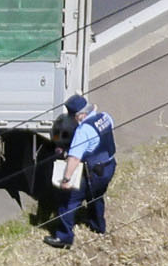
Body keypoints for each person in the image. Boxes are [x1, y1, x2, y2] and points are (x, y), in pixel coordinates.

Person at [46, 93, 117, 249]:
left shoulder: (83, 130)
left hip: (93, 171)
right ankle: (98, 226)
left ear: (81, 115)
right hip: (109, 166)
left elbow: (74, 158)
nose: (72, 119)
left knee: (68, 200)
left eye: (73, 116)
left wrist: (66, 180)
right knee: (96, 196)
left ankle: (64, 238)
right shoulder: (104, 117)